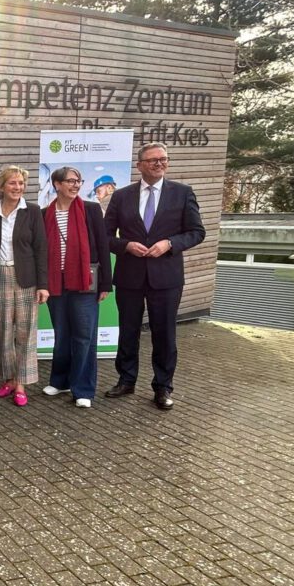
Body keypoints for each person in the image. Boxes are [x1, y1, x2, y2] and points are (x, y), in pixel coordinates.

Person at [103, 142, 205, 409]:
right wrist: (125, 245)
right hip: (130, 275)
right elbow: (104, 235)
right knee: (128, 331)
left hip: (166, 278)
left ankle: (163, 387)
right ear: (139, 165)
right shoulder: (121, 196)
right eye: (152, 160)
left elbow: (197, 232)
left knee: (165, 334)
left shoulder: (182, 193)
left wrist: (169, 244)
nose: (159, 163)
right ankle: (126, 380)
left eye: (163, 159)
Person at [41, 167, 112, 408]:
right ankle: (60, 381)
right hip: (56, 283)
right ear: (57, 184)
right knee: (61, 334)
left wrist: (105, 283)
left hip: (85, 282)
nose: (76, 185)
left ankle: (83, 389)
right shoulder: (44, 214)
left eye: (78, 181)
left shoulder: (91, 210)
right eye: (70, 181)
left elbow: (103, 246)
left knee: (83, 337)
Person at [0, 166, 48, 407]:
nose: (18, 187)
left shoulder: (33, 211)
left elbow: (41, 249)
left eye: (21, 183)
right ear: (1, 186)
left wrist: (43, 285)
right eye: (13, 183)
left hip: (27, 279)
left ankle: (21, 383)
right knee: (4, 332)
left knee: (25, 333)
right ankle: (8, 379)